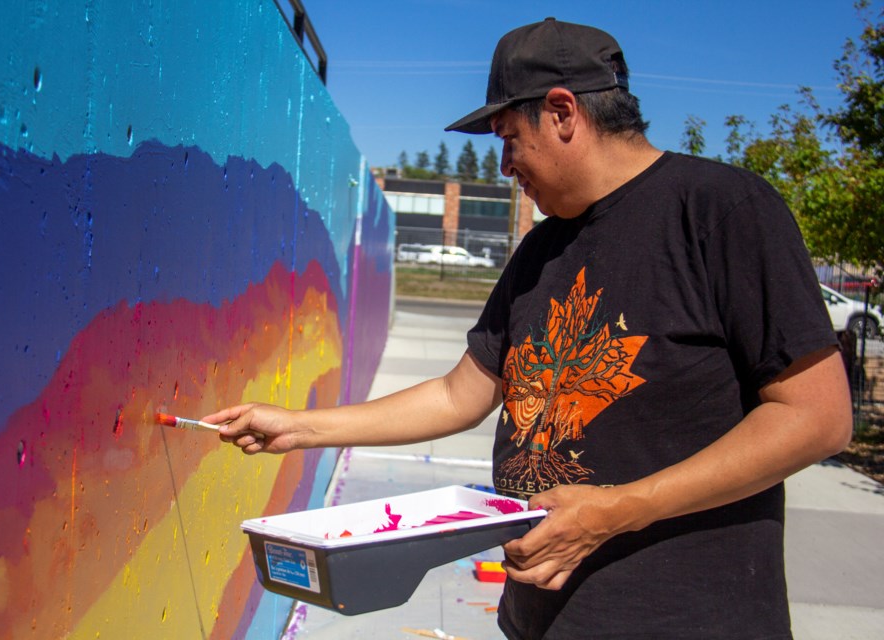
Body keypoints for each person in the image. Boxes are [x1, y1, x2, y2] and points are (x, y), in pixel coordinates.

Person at [205, 18, 853, 639]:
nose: (506, 162)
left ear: (565, 112)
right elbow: (462, 393)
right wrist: (301, 426)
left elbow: (816, 418)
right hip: (543, 617)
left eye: (509, 136)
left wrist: (620, 509)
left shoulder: (721, 210)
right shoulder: (541, 249)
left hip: (683, 619)